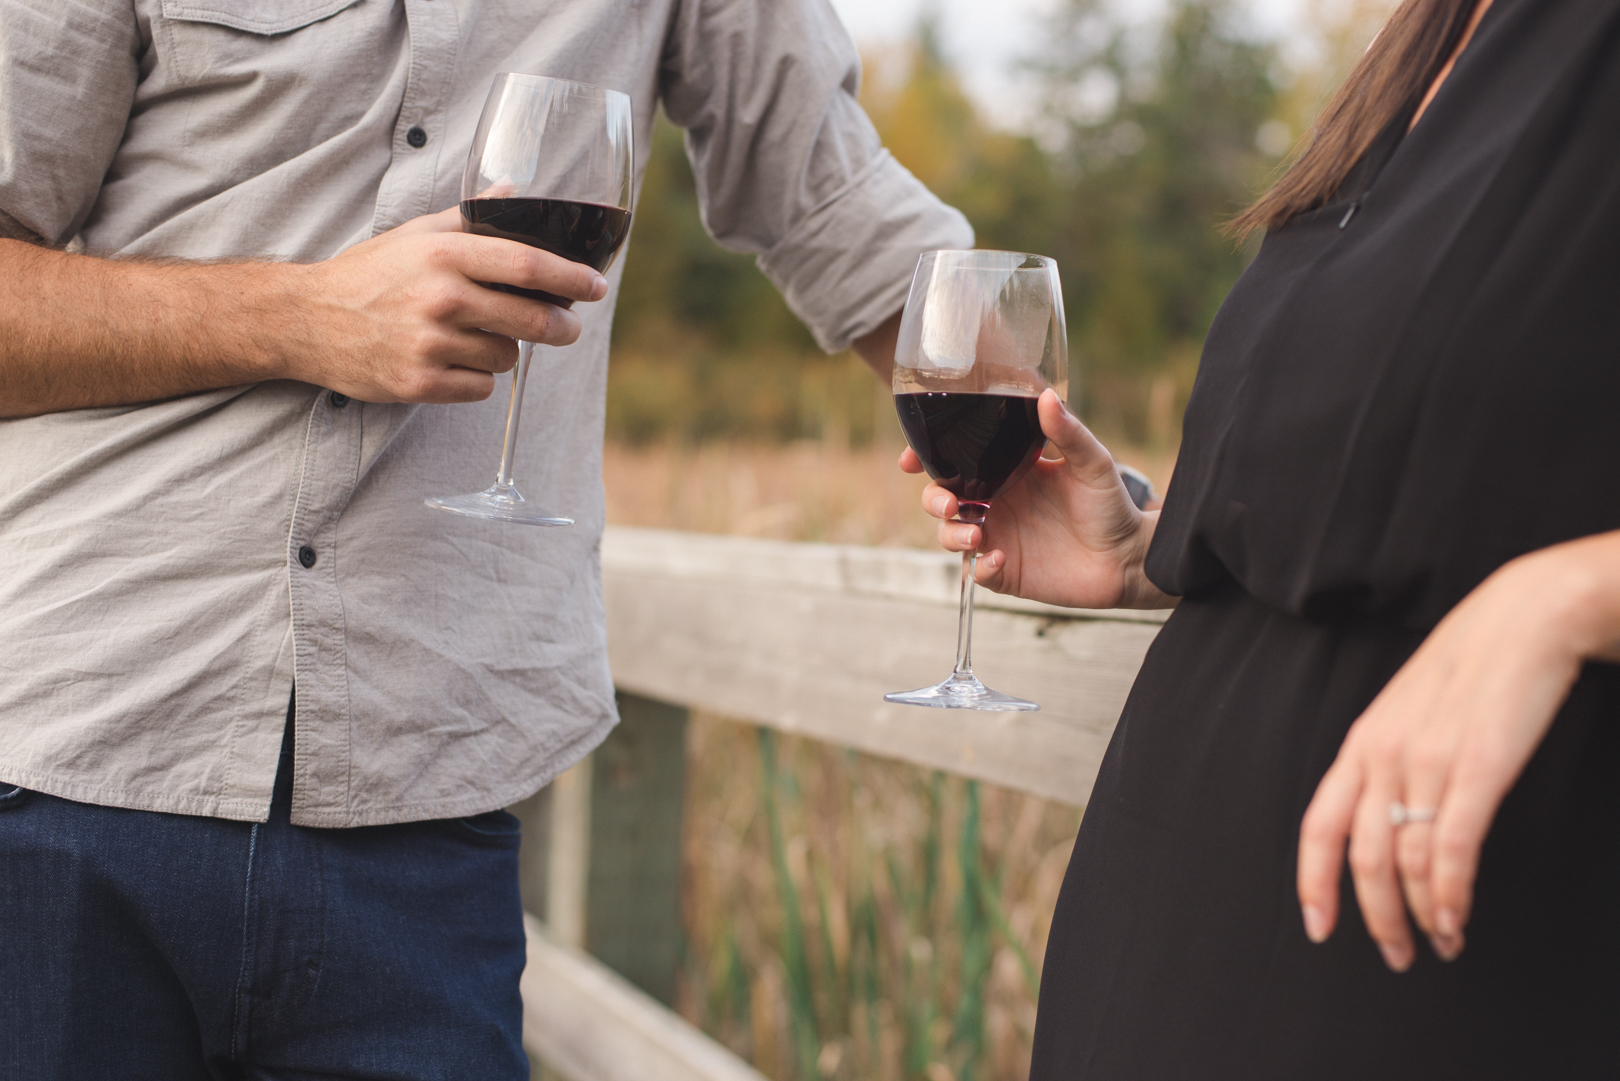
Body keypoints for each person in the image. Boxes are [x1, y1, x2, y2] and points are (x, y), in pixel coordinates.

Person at [0, 0, 971, 1072]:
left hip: (427, 795)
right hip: (68, 765)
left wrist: (1034, 452)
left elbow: (835, 202)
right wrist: (300, 315)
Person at [910, 0, 1620, 1074]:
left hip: (1452, 973)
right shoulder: (1428, 36)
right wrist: (1147, 548)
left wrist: (1565, 599)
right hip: (1154, 952)